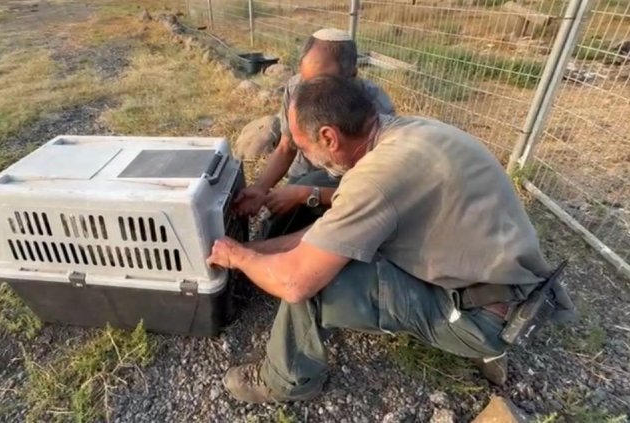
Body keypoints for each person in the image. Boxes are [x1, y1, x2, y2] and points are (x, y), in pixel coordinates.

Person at [207, 76, 573, 403]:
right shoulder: (409, 133)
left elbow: (296, 281)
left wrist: (238, 257)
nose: (306, 157)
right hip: (508, 283)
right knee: (334, 239)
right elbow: (334, 231)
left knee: (321, 283)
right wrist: (264, 244)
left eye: (304, 148)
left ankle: (285, 382)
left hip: (483, 317)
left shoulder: (376, 180)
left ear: (329, 137)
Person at [234, 28, 394, 232]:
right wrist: (260, 188)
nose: (310, 93)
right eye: (305, 81)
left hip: (348, 183)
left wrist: (308, 193)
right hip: (302, 176)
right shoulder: (295, 88)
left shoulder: (375, 106)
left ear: (351, 74)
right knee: (274, 224)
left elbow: (373, 188)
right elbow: (286, 147)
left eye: (321, 83)